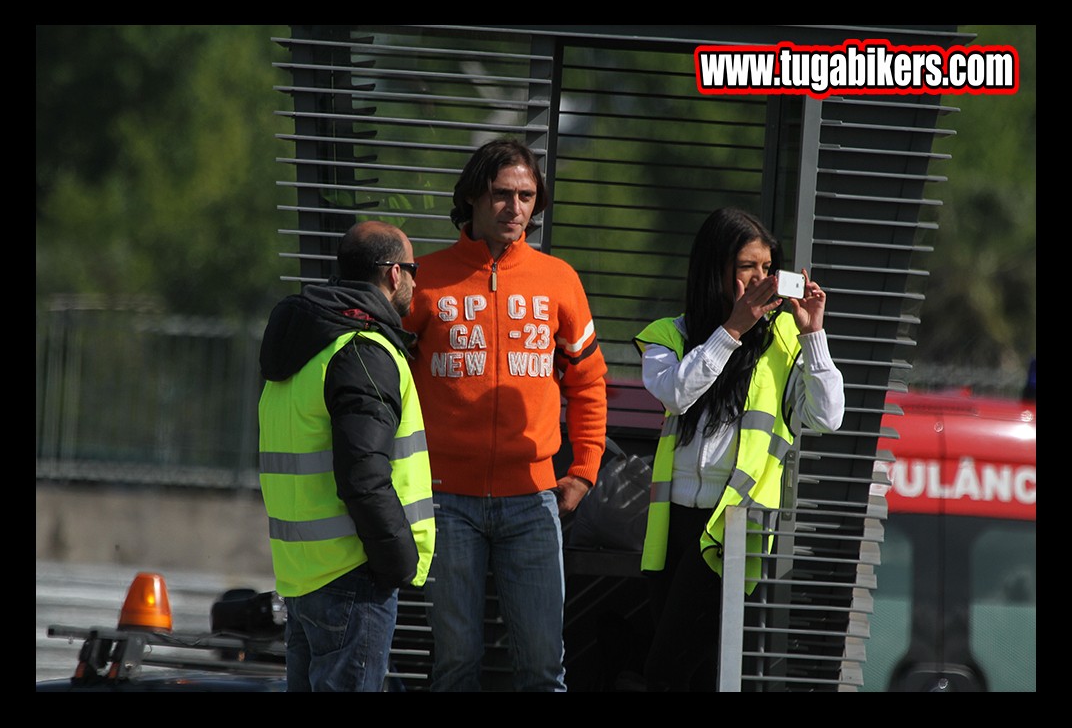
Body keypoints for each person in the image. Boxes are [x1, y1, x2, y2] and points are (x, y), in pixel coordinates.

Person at [403, 137, 608, 691]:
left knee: (543, 668)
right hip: (445, 499)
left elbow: (587, 382)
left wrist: (584, 471)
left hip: (532, 499)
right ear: (472, 198)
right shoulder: (422, 280)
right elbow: (385, 386)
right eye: (500, 194)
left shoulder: (558, 279)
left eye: (525, 196)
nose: (514, 208)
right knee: (455, 664)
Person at [634, 207, 844, 691]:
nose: (762, 279)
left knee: (664, 671)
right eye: (748, 266)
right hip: (673, 523)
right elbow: (676, 393)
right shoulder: (672, 334)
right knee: (697, 673)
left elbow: (827, 416)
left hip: (733, 526)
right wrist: (731, 330)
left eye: (768, 268)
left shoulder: (786, 340)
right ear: (717, 268)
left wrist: (814, 334)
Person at [257, 220, 436, 692]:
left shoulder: (306, 344)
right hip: (351, 577)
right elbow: (364, 474)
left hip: (304, 577)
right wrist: (398, 562)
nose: (416, 282)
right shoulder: (362, 350)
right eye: (412, 269)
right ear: (394, 274)